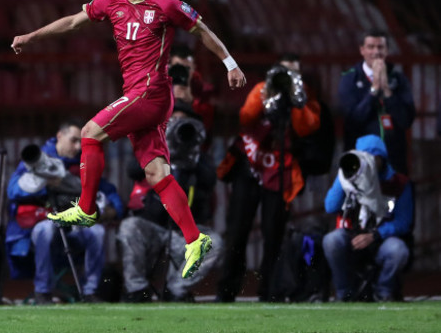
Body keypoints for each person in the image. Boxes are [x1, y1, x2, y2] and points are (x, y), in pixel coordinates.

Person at [11, 0, 246, 279]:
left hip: (149, 93)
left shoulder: (165, 5)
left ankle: (87, 208)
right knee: (156, 174)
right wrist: (32, 36)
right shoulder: (112, 2)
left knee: (90, 133)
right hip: (139, 97)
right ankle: (195, 239)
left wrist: (230, 64)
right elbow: (73, 22)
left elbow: (202, 30)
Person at [216, 53, 321, 302]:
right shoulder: (262, 90)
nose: (288, 78)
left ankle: (270, 290)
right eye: (284, 73)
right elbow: (246, 119)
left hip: (280, 172)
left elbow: (308, 128)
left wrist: (296, 101)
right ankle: (227, 290)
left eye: (294, 73)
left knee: (274, 233)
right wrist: (268, 98)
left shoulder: (302, 95)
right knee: (237, 231)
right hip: (249, 170)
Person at [4, 120, 124, 304]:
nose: (77, 147)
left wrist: (112, 209)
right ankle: (42, 291)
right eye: (73, 140)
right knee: (44, 230)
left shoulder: (83, 162)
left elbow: (106, 191)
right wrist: (46, 186)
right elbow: (13, 190)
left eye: (80, 143)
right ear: (60, 135)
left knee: (97, 232)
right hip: (45, 223)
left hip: (75, 227)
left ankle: (90, 291)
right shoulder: (39, 160)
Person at [119, 104, 222, 303]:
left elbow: (209, 180)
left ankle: (175, 290)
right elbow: (133, 169)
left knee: (213, 244)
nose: (177, 126)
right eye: (172, 121)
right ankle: (137, 290)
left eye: (182, 122)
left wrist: (191, 158)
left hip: (183, 234)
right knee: (129, 227)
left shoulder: (198, 155)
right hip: (153, 227)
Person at [322, 134, 413, 302]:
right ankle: (344, 292)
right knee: (331, 241)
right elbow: (330, 206)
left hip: (381, 240)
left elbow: (403, 222)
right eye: (363, 158)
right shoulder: (349, 178)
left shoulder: (399, 183)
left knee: (398, 250)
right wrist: (343, 178)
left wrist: (375, 235)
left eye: (372, 159)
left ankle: (383, 291)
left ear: (382, 159)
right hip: (351, 236)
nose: (368, 163)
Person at [338, 29, 415, 175]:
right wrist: (374, 90)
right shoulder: (349, 79)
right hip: (360, 159)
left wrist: (387, 91)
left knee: (399, 195)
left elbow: (406, 120)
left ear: (387, 50)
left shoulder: (399, 79)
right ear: (362, 50)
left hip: (394, 159)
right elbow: (353, 120)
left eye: (380, 47)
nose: (376, 52)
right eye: (371, 47)